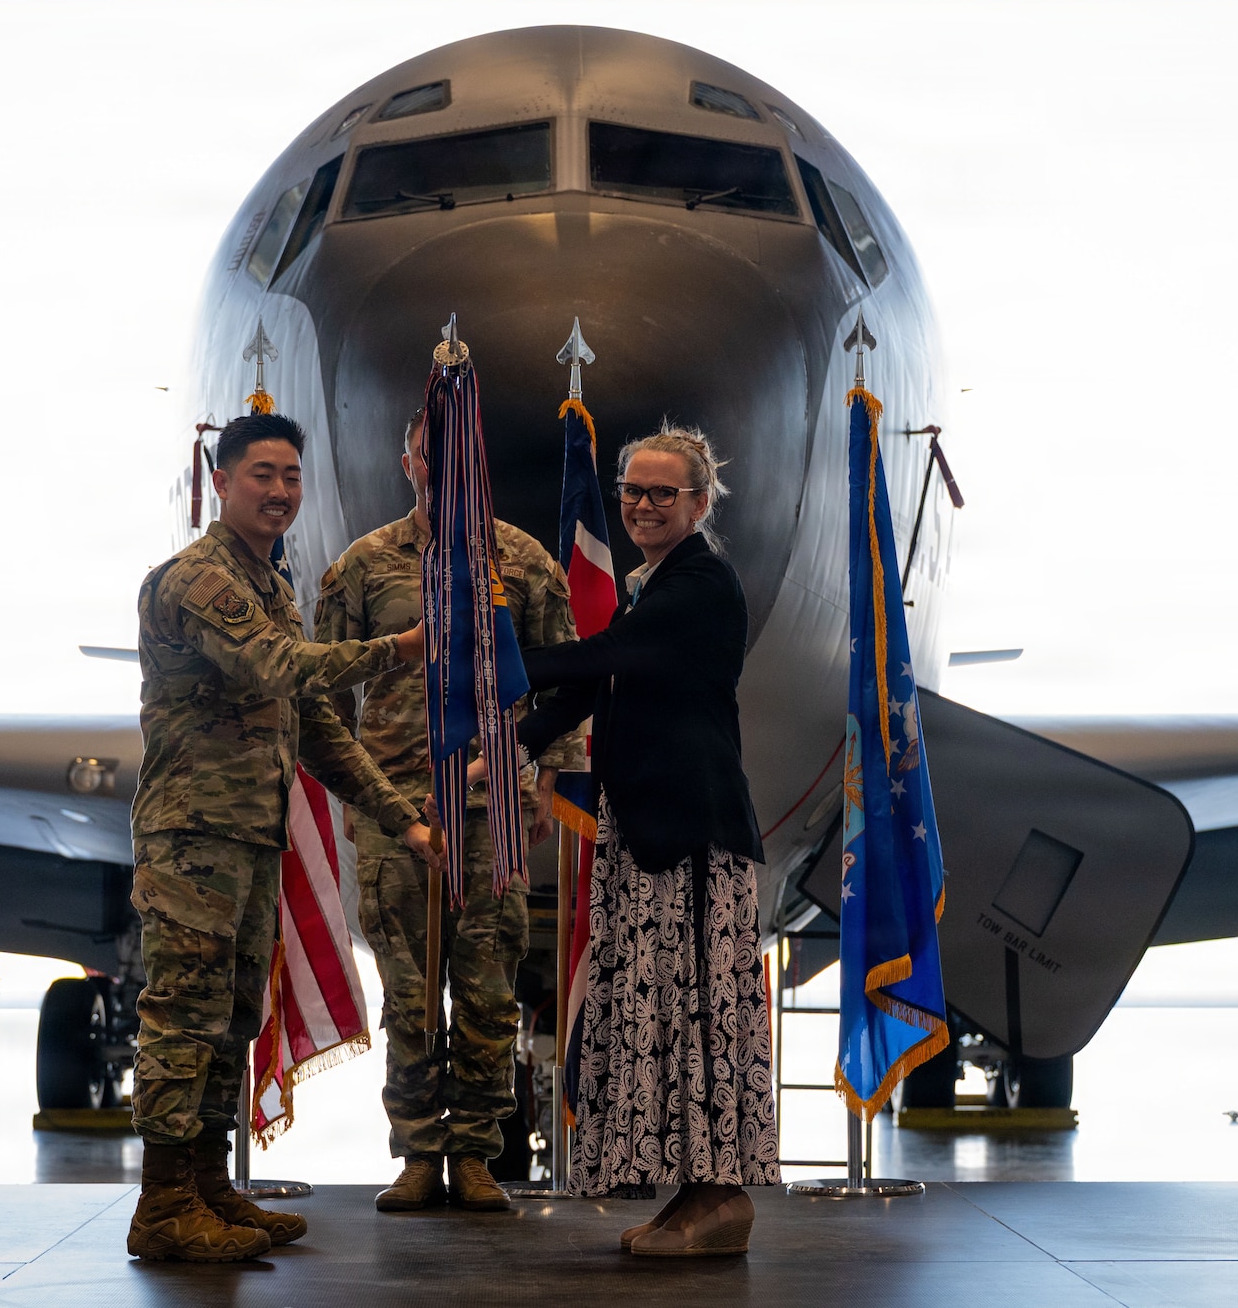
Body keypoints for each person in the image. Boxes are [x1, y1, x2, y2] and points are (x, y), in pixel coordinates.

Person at [126, 411, 441, 1263]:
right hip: (192, 836)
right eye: (261, 474)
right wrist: (399, 648)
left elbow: (317, 729)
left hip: (249, 837)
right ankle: (161, 1205)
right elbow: (274, 667)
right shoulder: (200, 579)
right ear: (220, 481)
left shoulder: (271, 585)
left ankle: (206, 1188)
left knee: (231, 1019)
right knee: (182, 1017)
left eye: (291, 476)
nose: (279, 490)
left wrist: (398, 814)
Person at [500, 422, 777, 1256]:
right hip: (650, 829)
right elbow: (600, 688)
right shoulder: (651, 584)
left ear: (699, 502)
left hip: (690, 836)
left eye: (664, 492)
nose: (644, 505)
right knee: (659, 1013)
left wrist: (497, 661)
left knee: (695, 1015)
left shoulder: (701, 582)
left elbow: (606, 656)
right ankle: (691, 1197)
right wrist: (514, 741)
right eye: (632, 491)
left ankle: (720, 1198)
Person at [314, 408, 584, 1214]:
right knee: (408, 994)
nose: (447, 468)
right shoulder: (361, 568)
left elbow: (563, 681)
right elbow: (323, 696)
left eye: (462, 453)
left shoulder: (525, 561)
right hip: (398, 815)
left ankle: (474, 1152)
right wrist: (372, 803)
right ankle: (418, 1152)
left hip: (488, 810)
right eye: (434, 456)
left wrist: (551, 780)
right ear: (410, 463)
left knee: (490, 992)